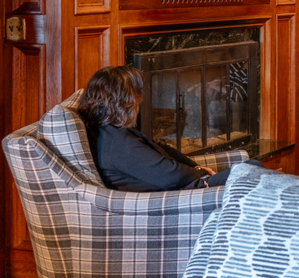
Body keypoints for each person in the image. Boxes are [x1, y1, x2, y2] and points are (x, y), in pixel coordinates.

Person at [78, 65, 248, 191]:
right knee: (252, 169)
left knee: (250, 169)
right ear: (123, 103)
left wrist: (196, 167)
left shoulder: (109, 131)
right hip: (187, 194)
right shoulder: (119, 145)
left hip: (188, 183)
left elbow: (160, 148)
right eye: (136, 95)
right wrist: (200, 173)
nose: (139, 101)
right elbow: (171, 175)